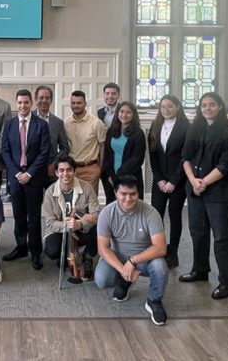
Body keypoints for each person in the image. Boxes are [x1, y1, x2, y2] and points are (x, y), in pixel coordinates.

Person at [178, 92, 228, 301]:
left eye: (212, 104)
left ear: (220, 107)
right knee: (198, 233)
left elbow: (226, 164)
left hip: (218, 192)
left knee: (221, 238)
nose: (207, 108)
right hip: (195, 190)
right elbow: (185, 158)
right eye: (204, 105)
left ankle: (226, 281)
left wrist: (203, 182)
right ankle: (200, 269)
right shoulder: (194, 129)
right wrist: (193, 181)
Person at [95, 175, 169, 326]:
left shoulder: (150, 213)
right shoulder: (107, 213)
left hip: (142, 260)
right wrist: (123, 269)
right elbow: (103, 248)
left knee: (160, 267)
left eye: (133, 194)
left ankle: (154, 300)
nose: (128, 199)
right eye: (123, 194)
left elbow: (160, 248)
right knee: (101, 280)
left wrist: (132, 261)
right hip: (117, 258)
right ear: (116, 193)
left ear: (138, 193)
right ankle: (124, 281)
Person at [1, 89, 50, 270]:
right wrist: (16, 173)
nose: (23, 106)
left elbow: (44, 152)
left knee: (34, 217)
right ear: (16, 104)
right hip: (15, 179)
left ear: (31, 103)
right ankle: (21, 247)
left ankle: (36, 252)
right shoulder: (9, 125)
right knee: (19, 215)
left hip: (34, 178)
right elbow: (5, 151)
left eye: (26, 102)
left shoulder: (41, 125)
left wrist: (29, 173)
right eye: (20, 102)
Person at [148, 94, 190, 269]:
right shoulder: (155, 125)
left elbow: (185, 157)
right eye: (163, 107)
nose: (166, 110)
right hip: (160, 180)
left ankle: (173, 253)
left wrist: (173, 181)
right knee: (156, 216)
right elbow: (152, 155)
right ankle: (158, 249)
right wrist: (159, 179)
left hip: (178, 181)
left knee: (175, 216)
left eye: (170, 106)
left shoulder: (186, 127)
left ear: (178, 107)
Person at [41, 155, 100, 280]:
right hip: (60, 230)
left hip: (81, 228)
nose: (65, 174)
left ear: (75, 171)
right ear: (56, 173)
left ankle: (87, 256)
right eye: (61, 170)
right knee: (51, 251)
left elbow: (96, 215)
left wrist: (80, 223)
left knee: (98, 229)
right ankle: (64, 257)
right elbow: (50, 223)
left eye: (69, 170)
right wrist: (68, 225)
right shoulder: (49, 193)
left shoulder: (87, 188)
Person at [64, 90, 107, 195]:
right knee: (72, 200)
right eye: (73, 103)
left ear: (85, 104)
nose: (76, 106)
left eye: (79, 103)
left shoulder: (96, 123)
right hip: (71, 169)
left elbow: (103, 146)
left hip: (90, 169)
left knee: (89, 201)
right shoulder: (66, 123)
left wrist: (100, 169)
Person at [102, 101, 146, 202]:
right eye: (121, 111)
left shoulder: (138, 134)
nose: (124, 115)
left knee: (131, 205)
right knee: (112, 206)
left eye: (128, 112)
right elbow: (107, 154)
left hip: (130, 177)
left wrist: (118, 176)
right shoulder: (111, 130)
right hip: (110, 178)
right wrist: (111, 175)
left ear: (133, 115)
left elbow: (137, 158)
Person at [33, 85, 70, 188]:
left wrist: (55, 163)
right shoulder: (28, 118)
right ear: (35, 100)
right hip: (31, 171)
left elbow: (65, 148)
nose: (44, 101)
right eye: (41, 97)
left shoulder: (57, 122)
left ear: (51, 100)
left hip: (51, 172)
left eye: (47, 98)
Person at [98, 82, 121, 200]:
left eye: (113, 94)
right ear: (104, 95)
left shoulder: (123, 111)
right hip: (105, 156)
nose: (110, 96)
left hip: (118, 156)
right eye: (107, 93)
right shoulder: (100, 112)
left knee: (120, 194)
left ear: (118, 95)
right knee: (109, 195)